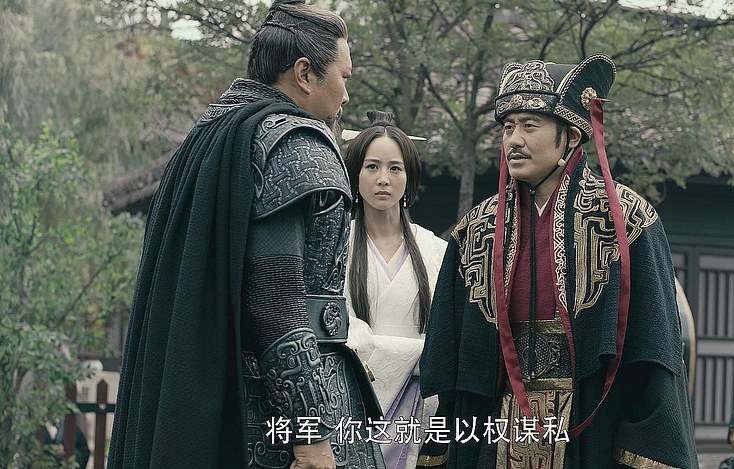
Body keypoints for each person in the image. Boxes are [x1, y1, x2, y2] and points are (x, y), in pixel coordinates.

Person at [107, 1, 385, 468]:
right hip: (279, 422)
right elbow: (278, 302)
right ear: (304, 73)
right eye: (344, 77)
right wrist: (312, 434)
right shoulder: (297, 145)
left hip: (218, 393)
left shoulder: (209, 137)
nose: (346, 94)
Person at [419, 55, 699, 468]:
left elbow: (654, 354)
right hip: (495, 430)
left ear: (570, 135)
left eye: (530, 126)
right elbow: (451, 360)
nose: (514, 140)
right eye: (508, 127)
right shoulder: (474, 230)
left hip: (592, 429)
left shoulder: (626, 221)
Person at [343, 110, 447, 469]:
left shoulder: (436, 251)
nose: (383, 179)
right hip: (354, 402)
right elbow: (336, 329)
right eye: (372, 167)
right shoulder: (334, 247)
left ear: (409, 176)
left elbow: (445, 335)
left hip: (421, 409)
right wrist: (416, 355)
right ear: (355, 173)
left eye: (395, 168)